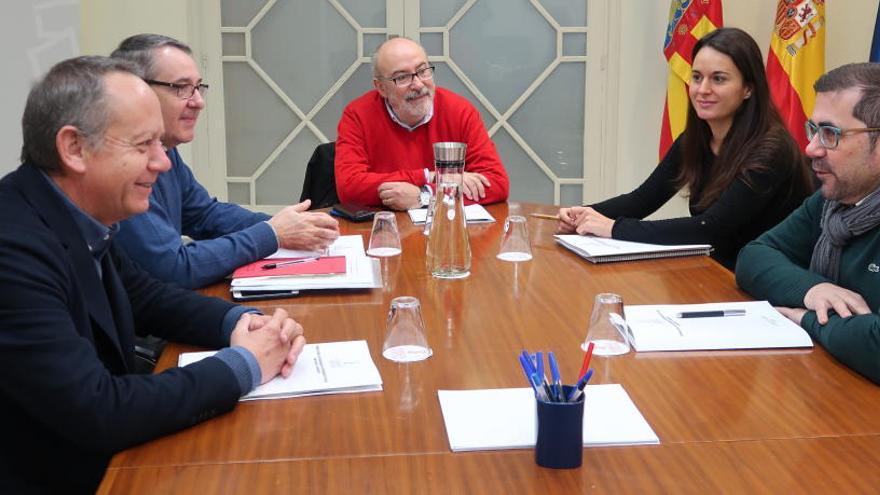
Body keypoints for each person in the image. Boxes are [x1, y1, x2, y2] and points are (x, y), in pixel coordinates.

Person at [0, 56, 307, 493]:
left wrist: (241, 323)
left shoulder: (74, 213)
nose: (163, 163)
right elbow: (98, 410)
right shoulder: (12, 247)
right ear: (73, 149)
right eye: (144, 145)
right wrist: (245, 364)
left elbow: (145, 296)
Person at [557, 28, 813, 270]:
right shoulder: (696, 138)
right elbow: (642, 200)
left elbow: (709, 228)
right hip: (713, 270)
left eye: (719, 79)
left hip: (764, 279)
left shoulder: (772, 149)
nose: (703, 90)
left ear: (748, 88)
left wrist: (613, 228)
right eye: (697, 77)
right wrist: (583, 214)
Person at [110, 34, 340, 289]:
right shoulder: (120, 167)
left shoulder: (166, 148)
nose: (198, 102)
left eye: (198, 87)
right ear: (138, 91)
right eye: (181, 88)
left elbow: (204, 214)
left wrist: (287, 226)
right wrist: (272, 233)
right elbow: (174, 268)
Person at [736, 62, 880, 384]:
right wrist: (813, 289)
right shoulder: (833, 201)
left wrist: (807, 319)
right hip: (830, 384)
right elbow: (754, 256)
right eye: (813, 130)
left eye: (830, 134)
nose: (811, 148)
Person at [334, 37, 510, 210]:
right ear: (381, 88)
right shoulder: (357, 115)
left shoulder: (460, 111)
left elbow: (496, 184)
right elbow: (349, 188)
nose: (418, 84)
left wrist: (424, 195)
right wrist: (431, 176)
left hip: (444, 231)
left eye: (423, 70)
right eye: (402, 77)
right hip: (385, 231)